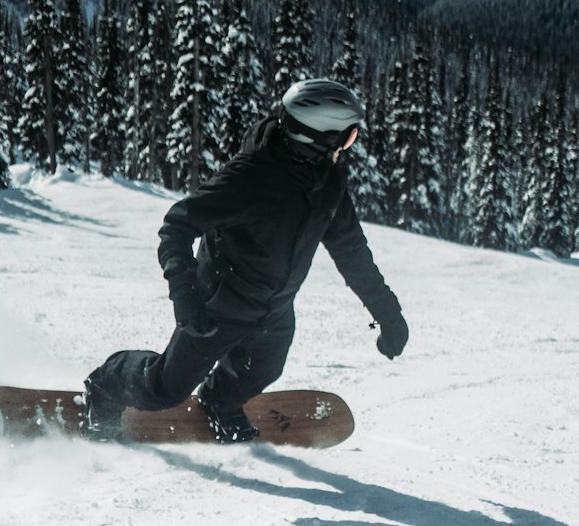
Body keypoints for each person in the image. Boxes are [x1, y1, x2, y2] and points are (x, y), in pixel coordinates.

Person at [82, 78, 409, 442]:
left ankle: (219, 402)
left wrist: (388, 314)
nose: (349, 146)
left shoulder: (327, 183)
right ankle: (106, 384)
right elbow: (177, 227)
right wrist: (186, 295)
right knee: (165, 390)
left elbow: (353, 254)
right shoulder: (250, 178)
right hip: (219, 305)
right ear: (321, 137)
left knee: (261, 371)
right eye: (348, 137)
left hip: (274, 310)